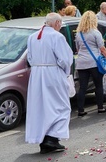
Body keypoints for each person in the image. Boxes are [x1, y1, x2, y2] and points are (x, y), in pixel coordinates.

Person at [25, 13, 74, 153]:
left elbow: (29, 57)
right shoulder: (57, 36)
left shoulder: (32, 37)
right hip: (53, 73)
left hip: (36, 74)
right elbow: (64, 59)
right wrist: (65, 72)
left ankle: (43, 138)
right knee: (61, 106)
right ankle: (52, 138)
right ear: (57, 23)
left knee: (42, 107)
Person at [75, 11, 106, 117]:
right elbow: (102, 49)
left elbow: (78, 48)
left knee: (83, 87)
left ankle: (80, 110)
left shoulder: (79, 33)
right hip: (94, 62)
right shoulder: (95, 33)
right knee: (98, 85)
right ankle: (100, 107)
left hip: (81, 63)